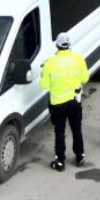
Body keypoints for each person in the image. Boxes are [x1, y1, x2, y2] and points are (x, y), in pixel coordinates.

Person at [40, 33, 89, 171]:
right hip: (74, 101)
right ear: (69, 45)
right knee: (76, 129)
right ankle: (80, 157)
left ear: (57, 45)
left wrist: (43, 71)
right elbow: (84, 78)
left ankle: (60, 162)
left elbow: (44, 85)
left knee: (59, 132)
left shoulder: (50, 63)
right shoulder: (78, 58)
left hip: (57, 104)